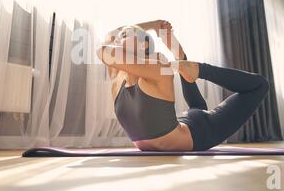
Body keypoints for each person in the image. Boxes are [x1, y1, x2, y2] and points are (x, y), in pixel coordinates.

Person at [96, 20, 269, 151]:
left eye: (124, 36)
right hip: (186, 119)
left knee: (260, 85)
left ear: (144, 45)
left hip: (202, 130)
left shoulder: (158, 69)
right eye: (118, 38)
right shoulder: (117, 77)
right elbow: (105, 43)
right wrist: (153, 24)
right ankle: (183, 60)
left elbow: (104, 50)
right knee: (197, 106)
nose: (117, 40)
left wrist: (149, 30)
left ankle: (199, 69)